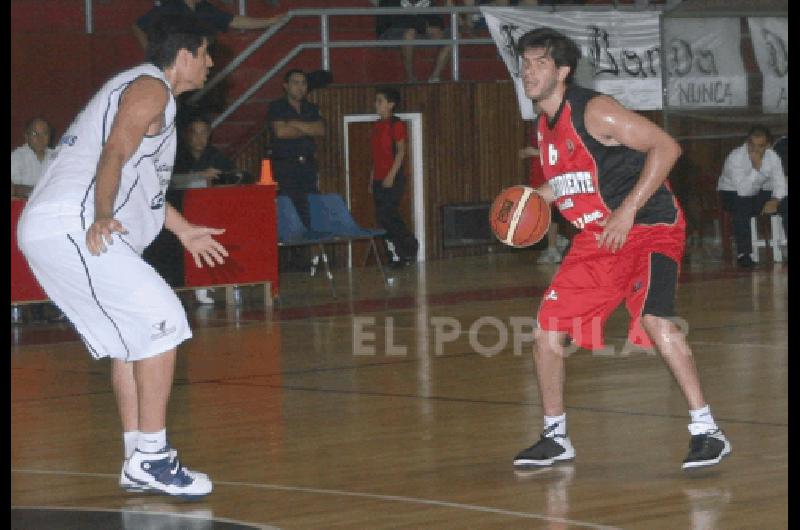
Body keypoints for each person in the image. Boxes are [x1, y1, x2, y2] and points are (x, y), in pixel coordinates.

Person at [16, 14, 226, 498]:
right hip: (76, 223)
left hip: (55, 226)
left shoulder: (144, 92)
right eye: (206, 52)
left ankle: (137, 455)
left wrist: (184, 229)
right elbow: (113, 152)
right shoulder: (151, 88)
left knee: (135, 339)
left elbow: (145, 183)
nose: (211, 62)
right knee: (164, 319)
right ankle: (153, 456)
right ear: (185, 56)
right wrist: (102, 214)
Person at [511, 28, 730, 471]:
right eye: (525, 63)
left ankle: (707, 431)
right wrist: (532, 201)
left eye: (539, 63)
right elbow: (571, 180)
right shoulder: (543, 125)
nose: (528, 71)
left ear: (563, 71)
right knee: (547, 330)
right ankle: (556, 437)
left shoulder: (596, 111)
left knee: (654, 317)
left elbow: (667, 147)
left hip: (650, 226)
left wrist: (629, 210)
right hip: (597, 238)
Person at [173, 114, 237, 304]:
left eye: (204, 133)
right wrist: (200, 175)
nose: (200, 138)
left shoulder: (216, 157)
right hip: (181, 214)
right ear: (187, 135)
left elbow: (232, 179)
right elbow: (171, 181)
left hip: (211, 215)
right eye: (195, 133)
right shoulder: (177, 157)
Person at [717, 126, 787, 268]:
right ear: (747, 142)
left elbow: (780, 183)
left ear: (768, 145)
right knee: (741, 205)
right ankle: (744, 254)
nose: (755, 150)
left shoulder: (772, 157)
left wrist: (775, 200)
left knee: (786, 201)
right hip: (732, 193)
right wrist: (756, 168)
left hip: (757, 192)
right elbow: (743, 191)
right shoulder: (735, 157)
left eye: (760, 146)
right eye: (752, 145)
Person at [266, 69, 326, 228]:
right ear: (286, 86)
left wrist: (294, 123)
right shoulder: (277, 107)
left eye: (303, 83)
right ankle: (291, 253)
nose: (300, 87)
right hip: (285, 167)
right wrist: (307, 127)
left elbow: (320, 129)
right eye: (296, 83)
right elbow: (281, 132)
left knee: (310, 214)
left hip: (308, 167)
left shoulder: (311, 108)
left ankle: (308, 251)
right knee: (289, 215)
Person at [370, 87, 419, 266]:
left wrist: (391, 175)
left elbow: (400, 151)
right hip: (378, 178)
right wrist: (373, 177)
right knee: (382, 217)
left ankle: (408, 246)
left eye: (380, 101)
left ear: (391, 105)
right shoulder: (376, 125)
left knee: (389, 215)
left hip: (393, 177)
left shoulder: (396, 124)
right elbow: (376, 155)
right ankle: (394, 254)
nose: (376, 104)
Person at [133, 0, 283, 50]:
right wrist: (150, 51)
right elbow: (138, 26)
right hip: (171, 64)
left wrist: (269, 21)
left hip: (193, 65)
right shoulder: (169, 7)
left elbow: (234, 20)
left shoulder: (205, 8)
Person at [375, 0, 455, 83]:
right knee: (409, 34)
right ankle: (410, 78)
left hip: (419, 32)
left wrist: (435, 28)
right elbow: (396, 21)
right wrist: (425, 27)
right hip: (390, 33)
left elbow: (437, 19)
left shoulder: (427, 1)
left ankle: (435, 77)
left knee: (454, 35)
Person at [11, 117, 55, 199]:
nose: (40, 138)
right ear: (26, 136)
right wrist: (43, 192)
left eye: (44, 133)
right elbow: (13, 188)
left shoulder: (56, 156)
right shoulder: (16, 157)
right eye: (35, 134)